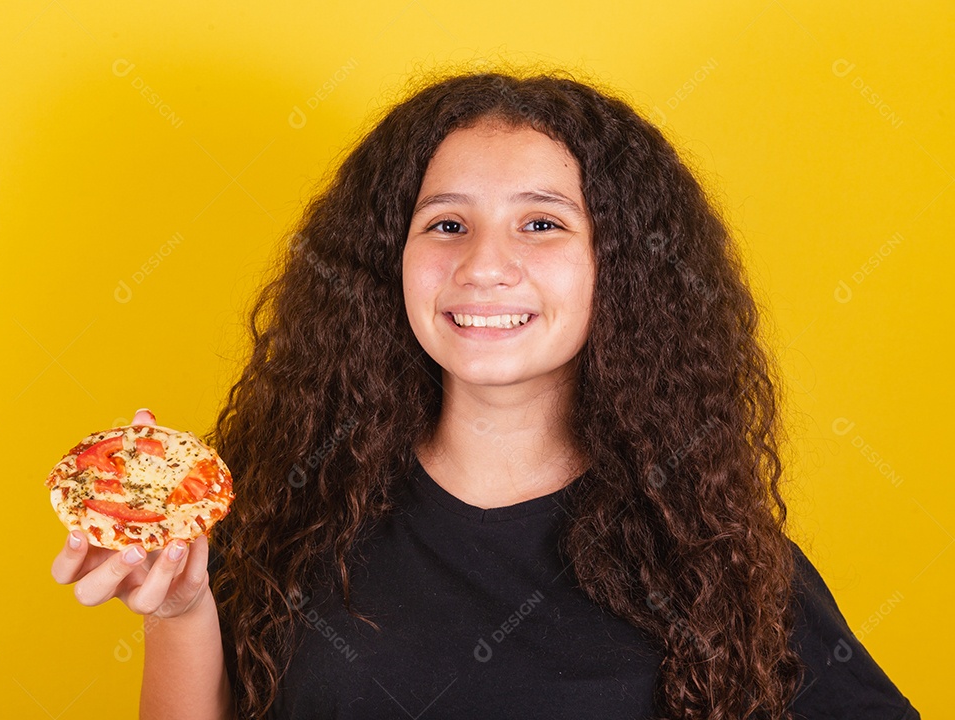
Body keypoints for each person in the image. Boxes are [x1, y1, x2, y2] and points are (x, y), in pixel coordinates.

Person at [51, 70, 920, 719]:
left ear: (617, 269)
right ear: (388, 261)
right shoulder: (291, 511)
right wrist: (178, 611)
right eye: (446, 224)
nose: (484, 266)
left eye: (542, 223)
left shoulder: (713, 552)